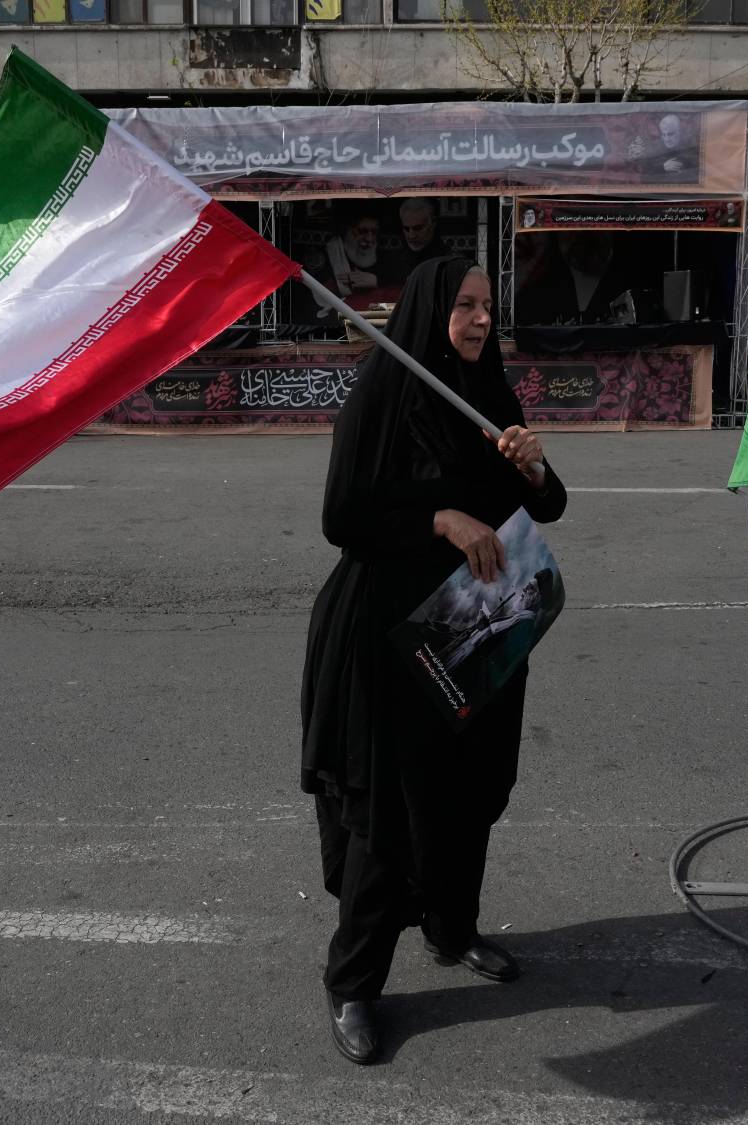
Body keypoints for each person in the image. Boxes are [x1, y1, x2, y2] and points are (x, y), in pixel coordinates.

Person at [300, 257, 568, 1066]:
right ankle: (354, 983)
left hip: (479, 625)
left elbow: (548, 504)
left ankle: (452, 930)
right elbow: (343, 514)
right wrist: (442, 516)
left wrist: (534, 466)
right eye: (463, 304)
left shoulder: (487, 389)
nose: (480, 318)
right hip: (389, 634)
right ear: (427, 309)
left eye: (488, 304)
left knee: (470, 793)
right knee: (390, 816)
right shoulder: (384, 389)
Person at [322, 210, 384, 306]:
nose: (369, 239)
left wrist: (376, 281)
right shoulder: (329, 256)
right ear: (348, 230)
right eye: (362, 231)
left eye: (374, 232)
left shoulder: (387, 259)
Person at [393, 198, 449, 281]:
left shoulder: (448, 261)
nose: (411, 236)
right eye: (406, 229)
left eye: (418, 228)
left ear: (433, 223)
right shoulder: (394, 262)